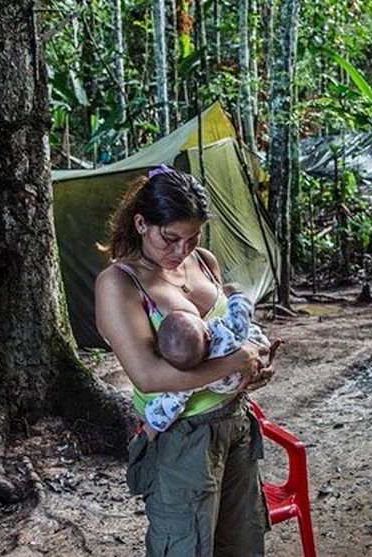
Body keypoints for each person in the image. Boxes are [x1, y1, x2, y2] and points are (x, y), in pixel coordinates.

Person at [94, 164, 274, 556]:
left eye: (192, 239)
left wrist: (253, 367)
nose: (181, 251)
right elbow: (148, 376)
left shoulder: (204, 261)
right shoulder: (120, 284)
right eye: (170, 238)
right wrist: (235, 363)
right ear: (141, 224)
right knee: (184, 547)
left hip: (235, 422)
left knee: (242, 542)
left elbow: (230, 332)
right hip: (182, 439)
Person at [143, 283, 272, 435]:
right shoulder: (225, 334)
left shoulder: (197, 375)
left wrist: (153, 425)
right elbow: (240, 313)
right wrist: (236, 295)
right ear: (207, 335)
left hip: (229, 386)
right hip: (257, 357)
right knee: (245, 330)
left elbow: (172, 400)